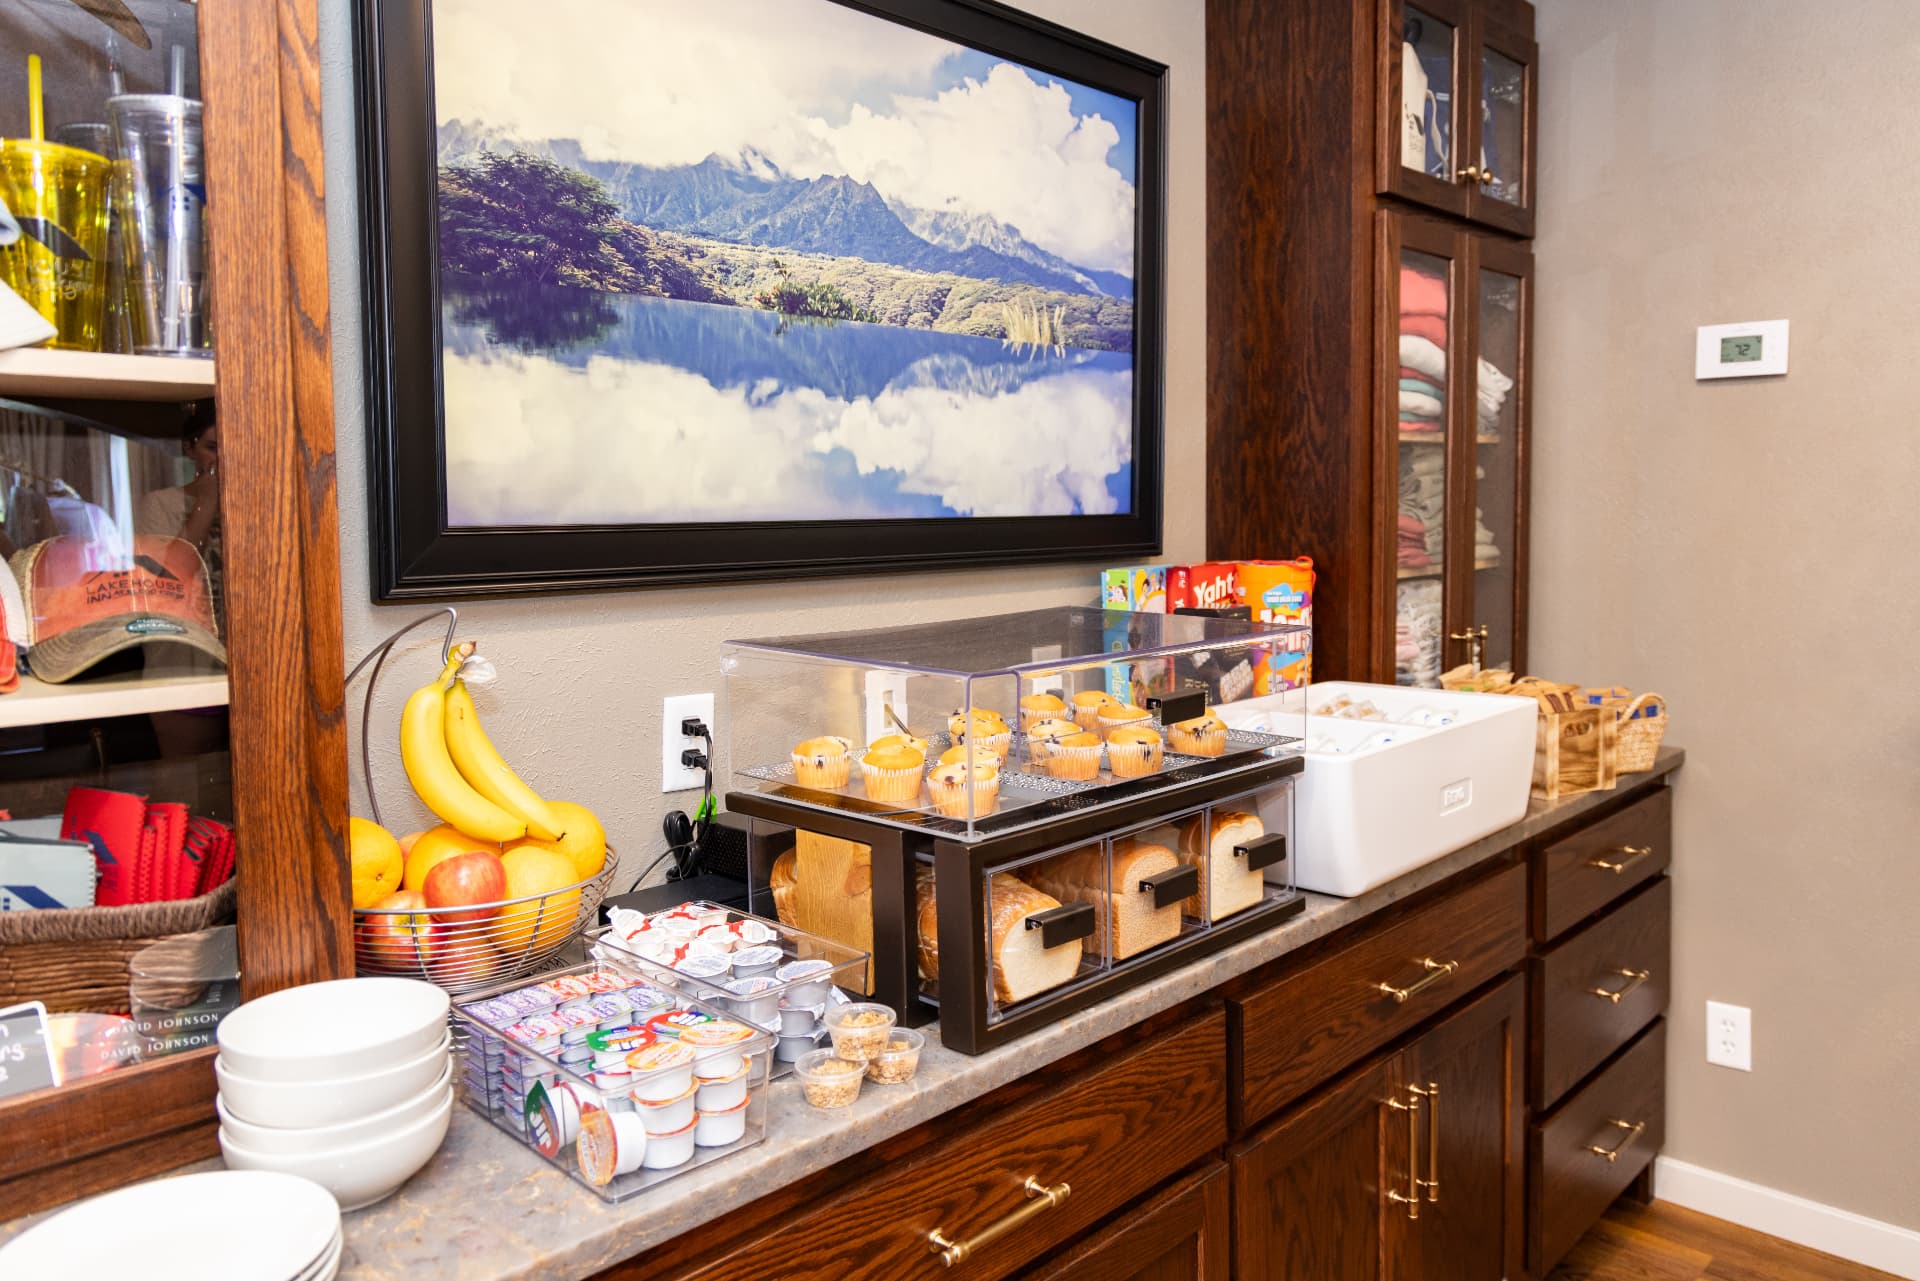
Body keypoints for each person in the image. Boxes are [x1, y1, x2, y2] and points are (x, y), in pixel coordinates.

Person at [136, 401, 223, 628]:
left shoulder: (252, 509)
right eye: (212, 448)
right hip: (184, 648)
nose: (223, 457)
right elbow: (172, 578)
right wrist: (207, 500)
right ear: (189, 449)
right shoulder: (159, 504)